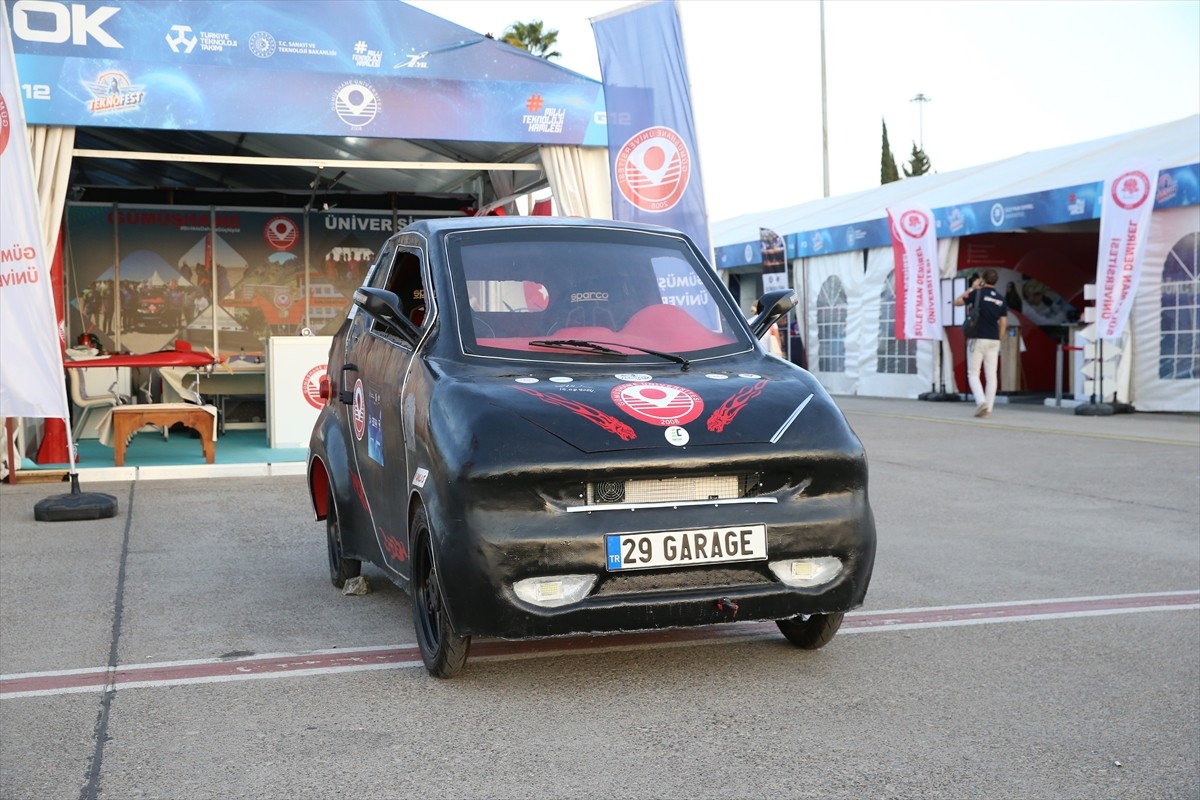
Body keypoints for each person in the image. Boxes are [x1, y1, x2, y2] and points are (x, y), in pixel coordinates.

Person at [955, 269, 1007, 418]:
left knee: (973, 373)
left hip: (977, 338)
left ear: (983, 279)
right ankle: (989, 408)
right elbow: (1003, 323)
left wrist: (972, 287)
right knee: (992, 375)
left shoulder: (977, 293)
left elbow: (957, 302)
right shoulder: (1001, 299)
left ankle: (981, 402)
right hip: (993, 339)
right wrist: (999, 339)